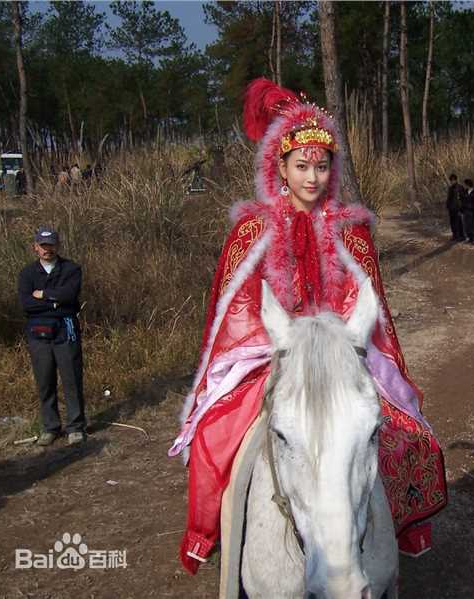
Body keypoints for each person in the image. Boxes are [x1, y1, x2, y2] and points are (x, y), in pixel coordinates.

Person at [168, 78, 448, 574]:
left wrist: (337, 341)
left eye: (321, 166)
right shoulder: (252, 229)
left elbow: (369, 304)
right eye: (301, 166)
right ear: (280, 166)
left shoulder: (350, 227)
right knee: (218, 434)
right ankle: (216, 536)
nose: (312, 178)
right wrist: (284, 339)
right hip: (270, 351)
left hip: (339, 353)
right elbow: (234, 308)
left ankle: (396, 532)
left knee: (404, 432)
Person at [17, 226, 86, 446]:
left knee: (71, 379)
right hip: (38, 334)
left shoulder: (71, 269)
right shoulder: (27, 274)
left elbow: (69, 296)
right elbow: (26, 304)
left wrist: (44, 295)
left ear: (58, 246)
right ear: (35, 247)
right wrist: (55, 302)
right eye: (43, 245)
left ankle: (76, 426)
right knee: (44, 380)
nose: (47, 249)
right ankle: (50, 427)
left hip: (66, 330)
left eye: (51, 245)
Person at [446, 173, 465, 241]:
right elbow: (449, 198)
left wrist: (462, 209)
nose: (452, 181)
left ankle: (462, 236)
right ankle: (455, 235)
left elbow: (463, 199)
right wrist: (447, 206)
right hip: (451, 209)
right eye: (451, 180)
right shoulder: (450, 188)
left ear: (456, 180)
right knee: (452, 223)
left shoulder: (460, 187)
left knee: (459, 223)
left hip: (458, 208)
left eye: (453, 180)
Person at [461, 178, 474, 244]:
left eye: (465, 184)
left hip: (472, 211)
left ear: (468, 184)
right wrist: (462, 210)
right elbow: (463, 201)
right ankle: (470, 238)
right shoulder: (465, 191)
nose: (465, 185)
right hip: (466, 211)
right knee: (467, 225)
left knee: (473, 225)